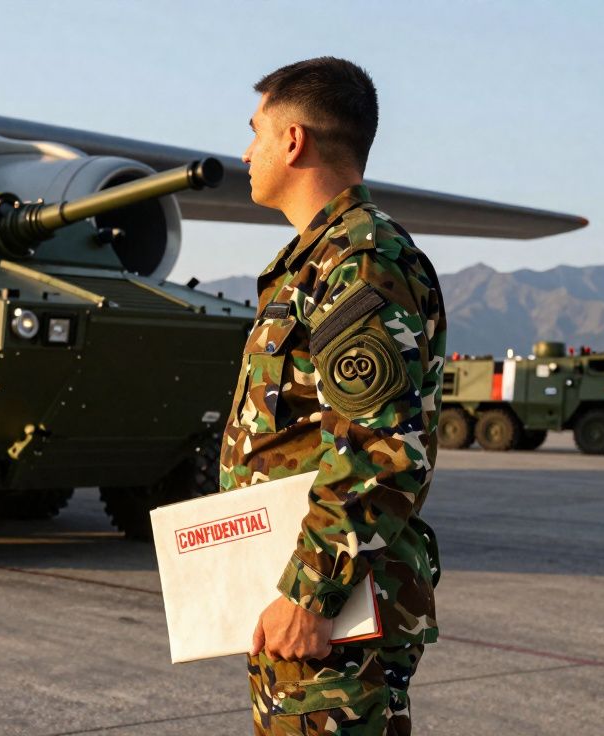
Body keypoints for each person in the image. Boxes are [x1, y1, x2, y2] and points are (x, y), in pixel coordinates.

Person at [220, 57, 445, 736]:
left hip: (335, 614)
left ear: (294, 142)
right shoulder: (315, 262)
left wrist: (308, 595)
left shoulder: (360, 261)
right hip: (308, 607)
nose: (246, 151)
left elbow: (383, 447)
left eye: (256, 131)